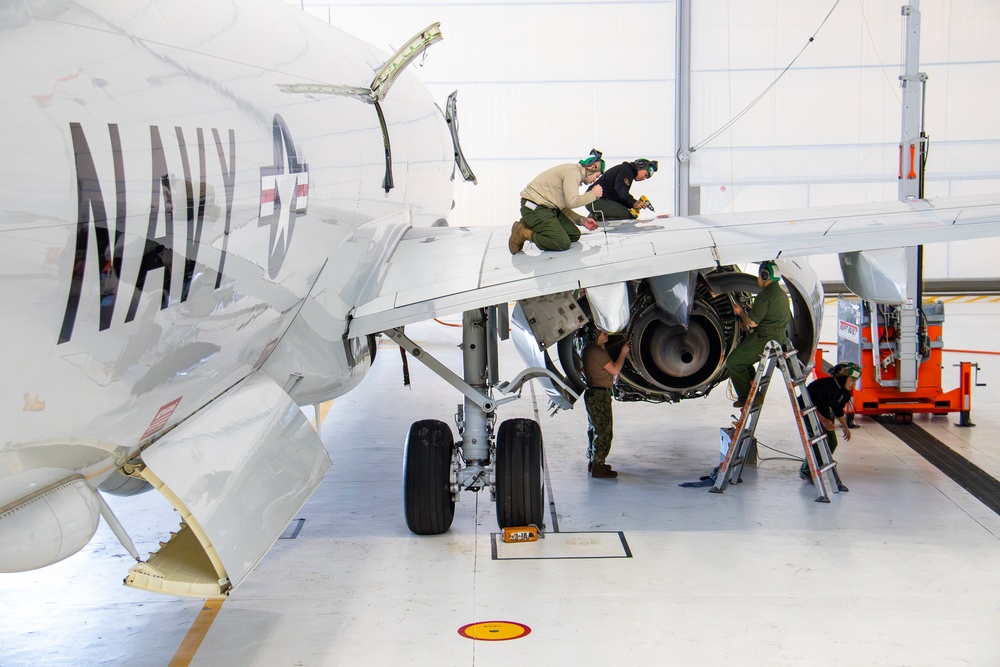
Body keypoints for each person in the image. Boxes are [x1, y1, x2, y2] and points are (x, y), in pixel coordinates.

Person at [725, 260, 792, 409]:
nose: (758, 279)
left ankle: (748, 396)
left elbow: (752, 323)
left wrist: (740, 312)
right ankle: (751, 392)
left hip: (765, 338)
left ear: (765, 275)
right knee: (743, 361)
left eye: (759, 275)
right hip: (777, 336)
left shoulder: (766, 295)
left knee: (733, 363)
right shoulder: (780, 293)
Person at [508, 151, 605, 254]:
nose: (595, 181)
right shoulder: (574, 173)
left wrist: (582, 220)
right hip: (534, 207)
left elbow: (563, 207)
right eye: (597, 176)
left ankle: (530, 223)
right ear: (592, 167)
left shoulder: (573, 172)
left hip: (548, 208)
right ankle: (523, 232)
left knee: (573, 234)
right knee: (562, 242)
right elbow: (572, 202)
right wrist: (593, 194)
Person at [582, 327, 630, 478]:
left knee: (594, 428)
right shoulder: (598, 352)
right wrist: (623, 352)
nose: (606, 334)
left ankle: (593, 461)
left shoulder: (588, 350)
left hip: (592, 393)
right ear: (594, 335)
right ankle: (599, 465)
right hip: (600, 394)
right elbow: (615, 370)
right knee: (604, 431)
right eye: (603, 333)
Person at [799, 362, 860, 482]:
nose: (854, 384)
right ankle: (806, 471)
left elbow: (838, 409)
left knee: (831, 442)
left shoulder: (844, 393)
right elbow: (805, 404)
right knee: (817, 441)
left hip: (824, 412)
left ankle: (819, 466)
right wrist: (822, 420)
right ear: (843, 378)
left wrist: (845, 427)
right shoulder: (822, 387)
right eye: (852, 380)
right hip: (808, 411)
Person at [586, 158, 657, 221]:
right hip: (595, 200)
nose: (644, 178)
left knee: (628, 213)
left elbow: (620, 197)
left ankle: (596, 218)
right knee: (628, 215)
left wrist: (633, 205)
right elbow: (621, 190)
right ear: (641, 166)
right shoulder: (626, 171)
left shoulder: (627, 172)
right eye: (646, 174)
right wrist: (634, 202)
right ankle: (595, 219)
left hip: (598, 200)